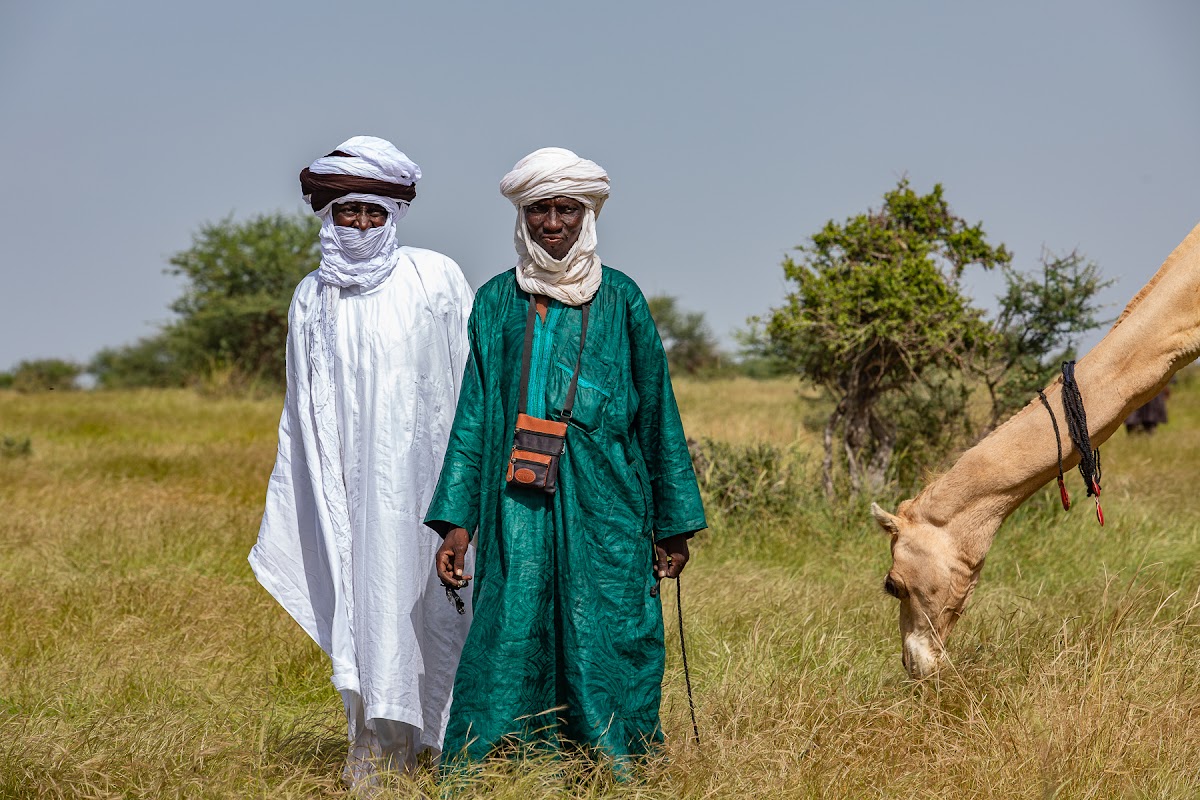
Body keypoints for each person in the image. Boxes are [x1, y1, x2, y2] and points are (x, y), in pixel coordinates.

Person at [424, 147, 707, 767]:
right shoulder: (496, 301)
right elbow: (473, 414)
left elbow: (658, 412)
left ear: (588, 214)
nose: (552, 223)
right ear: (521, 218)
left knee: (609, 625)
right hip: (513, 500)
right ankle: (497, 763)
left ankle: (611, 757)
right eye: (539, 211)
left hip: (609, 501)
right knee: (509, 623)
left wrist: (672, 524)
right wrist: (456, 523)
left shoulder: (623, 299)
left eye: (565, 210)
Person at [249, 136, 474, 787]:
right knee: (367, 619)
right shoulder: (312, 298)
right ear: (329, 213)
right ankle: (376, 762)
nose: (362, 225)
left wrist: (464, 496)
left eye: (375, 213)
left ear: (395, 214)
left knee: (438, 618)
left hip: (431, 493)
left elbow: (469, 387)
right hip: (351, 498)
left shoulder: (435, 277)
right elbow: (305, 412)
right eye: (349, 211)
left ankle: (443, 755)